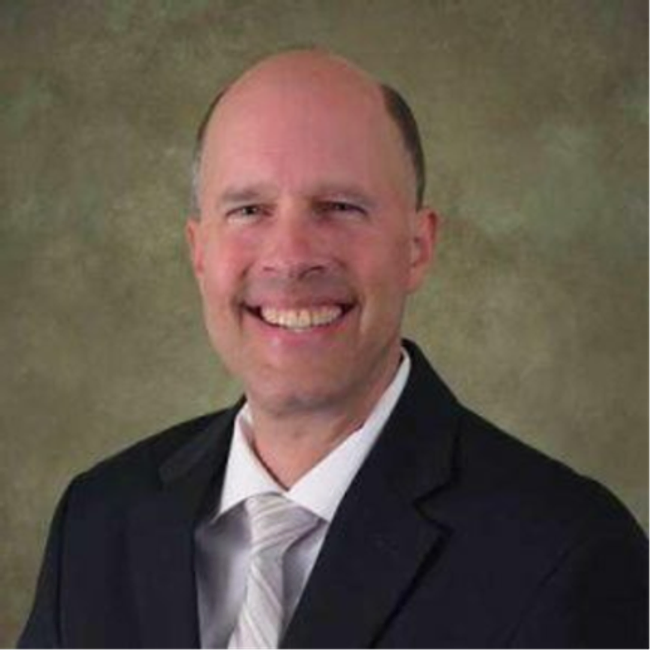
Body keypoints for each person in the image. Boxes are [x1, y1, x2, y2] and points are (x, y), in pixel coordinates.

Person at [18, 48, 648, 650]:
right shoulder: (97, 522)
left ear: (417, 246)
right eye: (249, 209)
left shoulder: (567, 553)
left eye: (340, 206)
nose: (290, 257)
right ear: (198, 251)